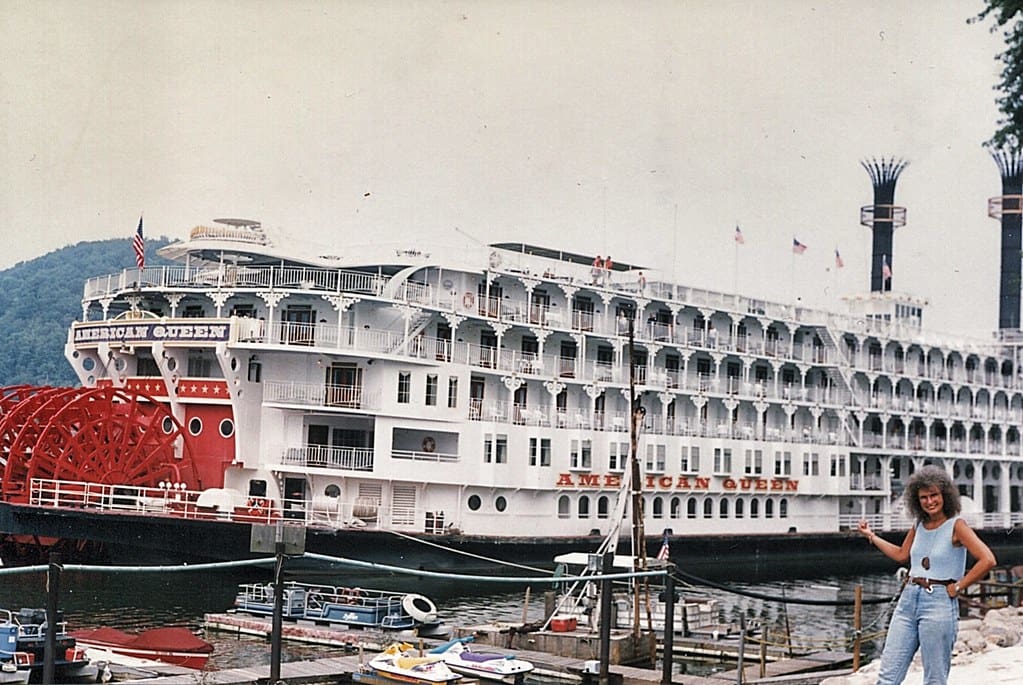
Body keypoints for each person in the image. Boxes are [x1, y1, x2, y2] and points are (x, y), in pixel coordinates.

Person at [857, 465, 996, 685]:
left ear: (945, 495)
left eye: (934, 495)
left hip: (939, 603)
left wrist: (959, 586)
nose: (929, 501)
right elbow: (902, 555)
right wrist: (871, 536)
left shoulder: (957, 526)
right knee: (887, 676)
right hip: (908, 601)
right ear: (916, 500)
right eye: (923, 497)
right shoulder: (919, 525)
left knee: (934, 679)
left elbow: (988, 559)